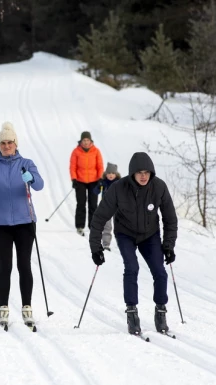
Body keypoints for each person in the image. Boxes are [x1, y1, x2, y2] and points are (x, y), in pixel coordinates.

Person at [88, 152, 178, 336]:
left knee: (160, 271)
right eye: (139, 172)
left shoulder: (159, 187)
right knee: (132, 268)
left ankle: (161, 311)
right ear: (132, 174)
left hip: (150, 234)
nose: (143, 176)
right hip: (126, 234)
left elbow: (170, 218)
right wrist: (96, 247)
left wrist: (168, 245)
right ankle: (132, 313)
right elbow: (99, 218)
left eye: (147, 172)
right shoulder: (118, 188)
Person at [0, 122, 44, 329]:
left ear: (16, 144)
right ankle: (3, 307)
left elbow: (39, 185)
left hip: (25, 222)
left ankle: (26, 307)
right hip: (1, 224)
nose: (6, 146)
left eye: (10, 142)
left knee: (24, 264)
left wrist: (30, 177)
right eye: (3, 143)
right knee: (5, 265)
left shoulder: (27, 163)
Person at [69, 131, 104, 236]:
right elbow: (72, 166)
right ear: (81, 141)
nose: (85, 142)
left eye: (87, 140)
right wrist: (74, 179)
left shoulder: (96, 151)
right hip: (80, 181)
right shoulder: (76, 151)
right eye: (84, 140)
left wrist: (100, 178)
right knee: (81, 204)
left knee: (93, 204)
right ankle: (79, 226)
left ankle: (93, 226)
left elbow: (100, 166)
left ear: (90, 141)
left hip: (94, 181)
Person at [92, 162, 121, 251]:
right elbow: (95, 192)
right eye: (109, 173)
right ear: (106, 174)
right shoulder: (103, 182)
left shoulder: (120, 183)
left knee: (119, 226)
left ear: (116, 174)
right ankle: (106, 244)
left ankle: (121, 243)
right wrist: (98, 185)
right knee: (107, 227)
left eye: (113, 173)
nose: (111, 175)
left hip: (117, 207)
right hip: (107, 207)